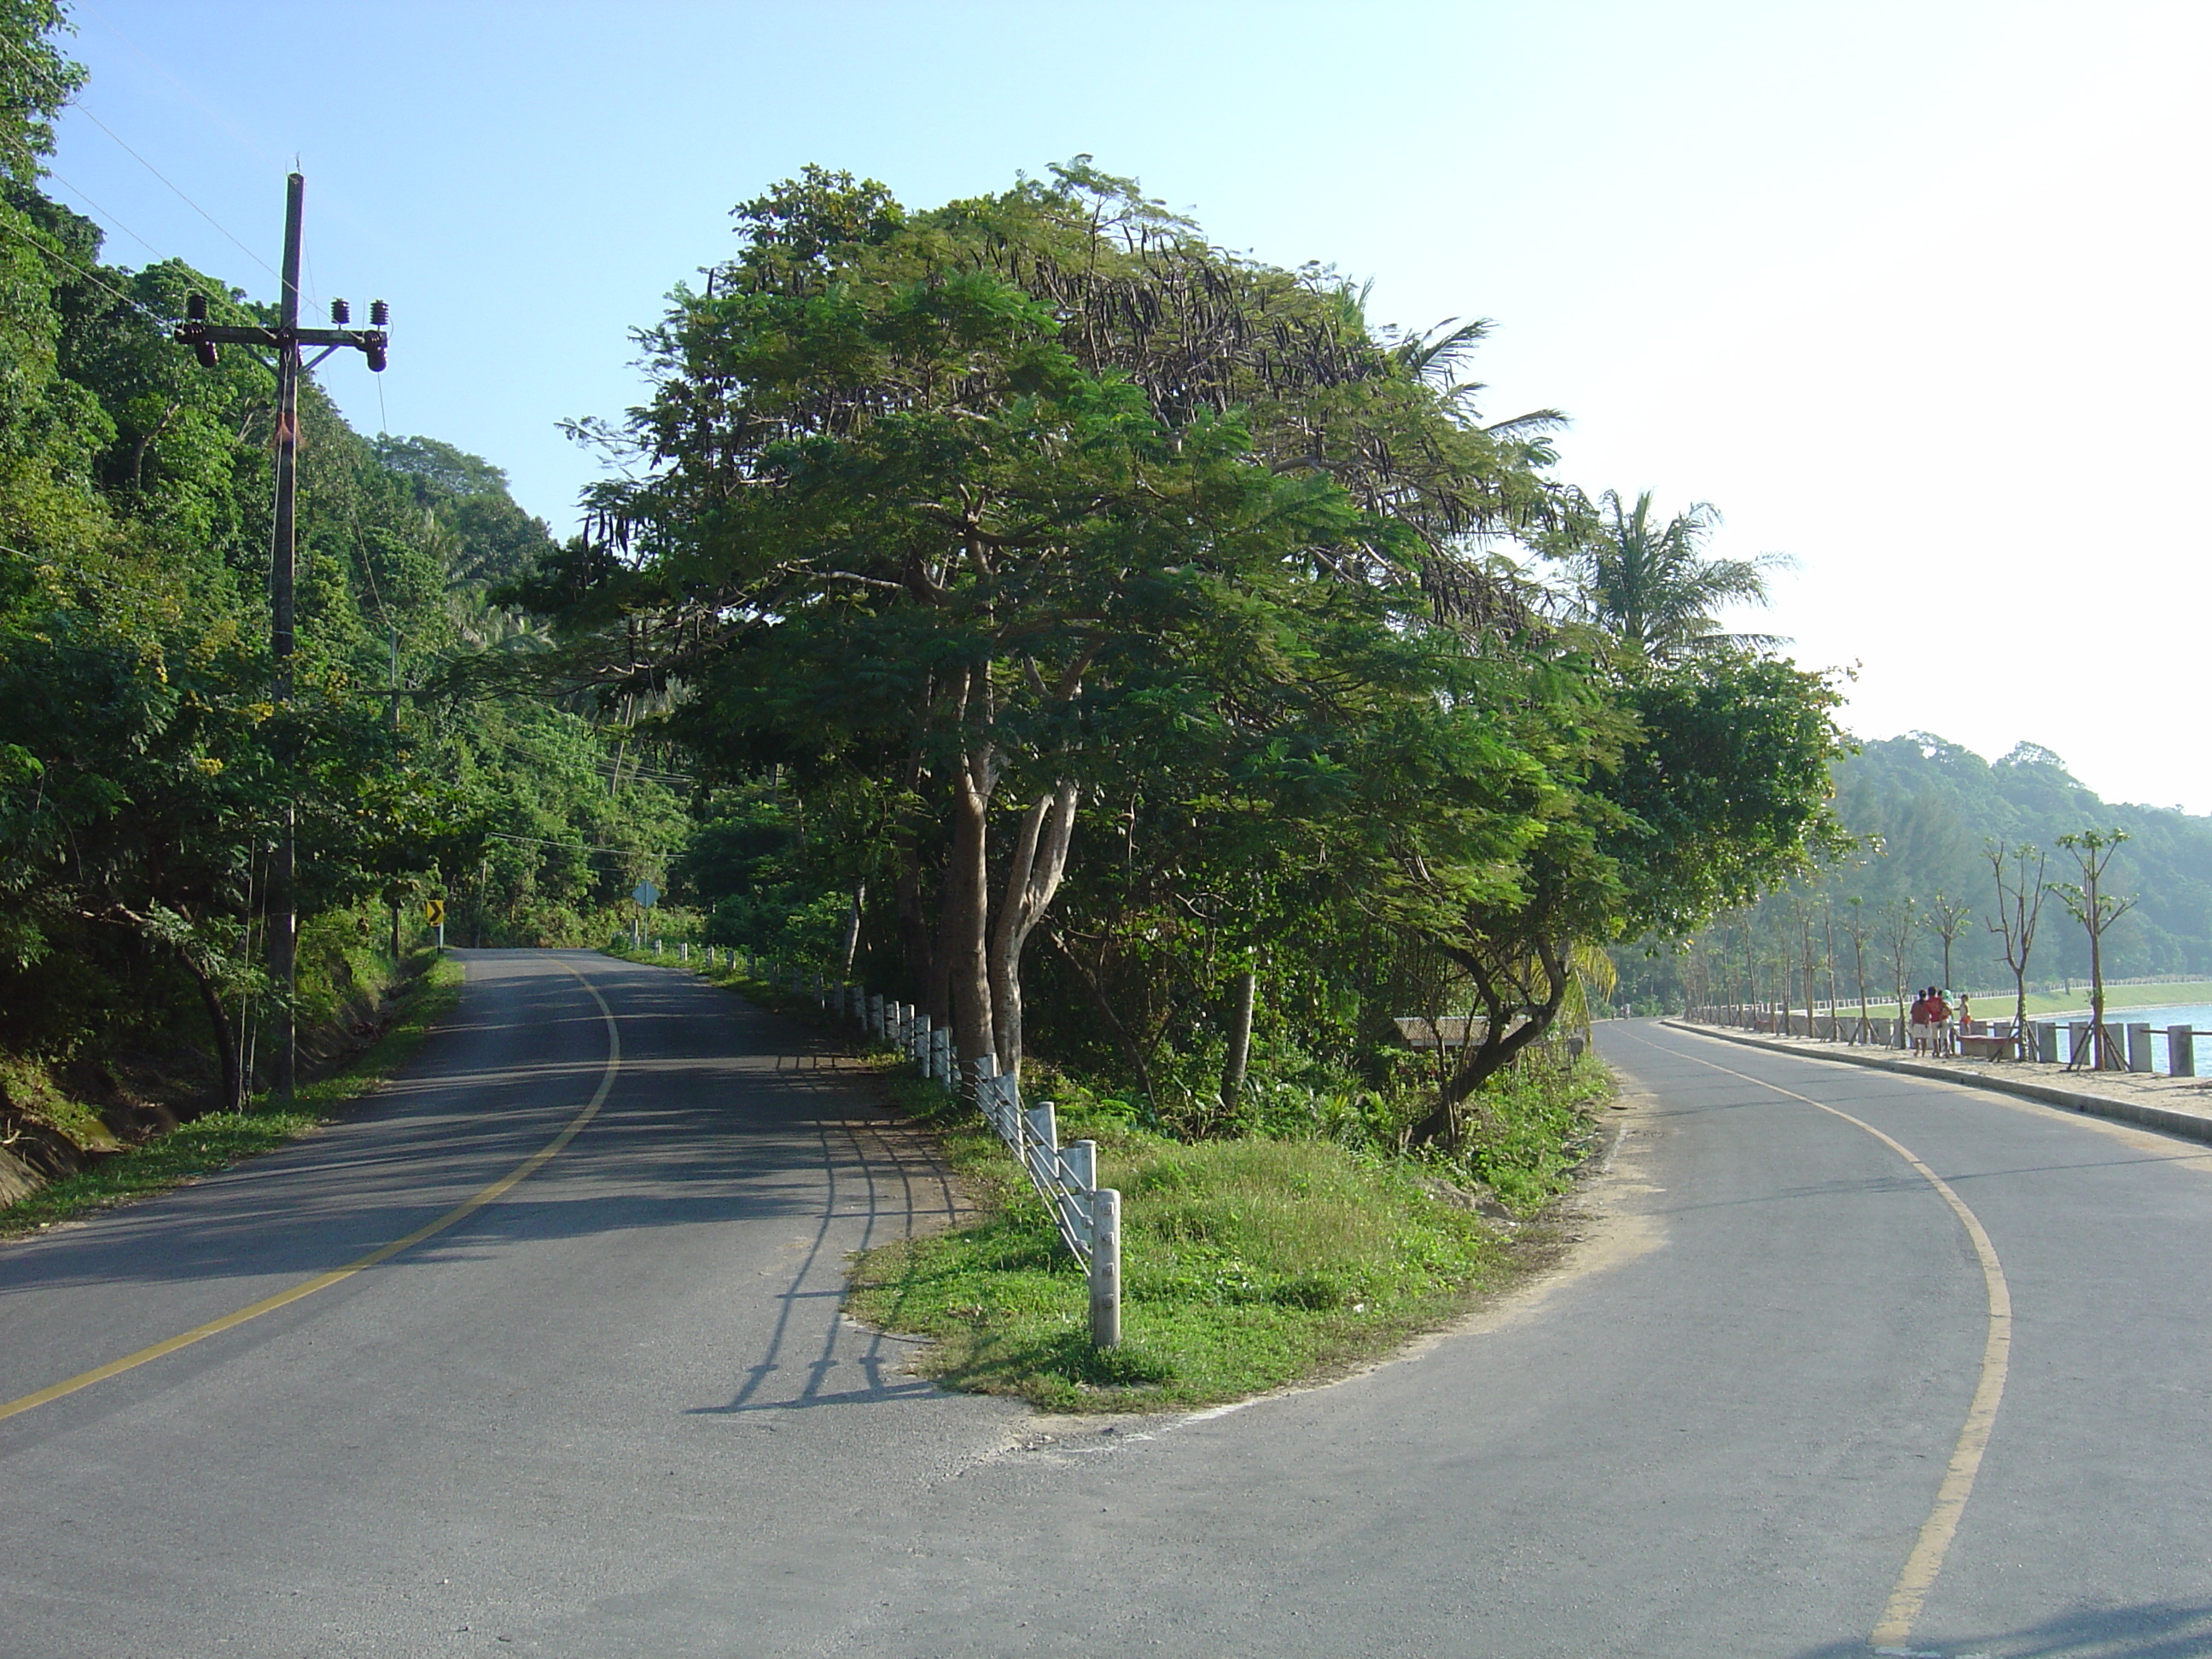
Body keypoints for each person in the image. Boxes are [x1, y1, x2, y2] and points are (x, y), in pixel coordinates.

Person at [1930, 987, 1954, 1057]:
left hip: (1935, 1019)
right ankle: (1947, 1051)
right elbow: (1949, 1009)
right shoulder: (1941, 1001)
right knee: (1946, 1036)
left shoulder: (1929, 1002)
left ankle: (1937, 1051)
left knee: (1935, 1037)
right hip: (1945, 1019)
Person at [1909, 987, 1931, 1055]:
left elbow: (1912, 1014)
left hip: (1917, 1023)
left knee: (1917, 1038)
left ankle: (1917, 1050)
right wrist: (1927, 1021)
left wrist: (1913, 1022)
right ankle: (1923, 1053)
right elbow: (1928, 1014)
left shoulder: (1915, 1004)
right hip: (1925, 1024)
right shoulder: (1927, 1004)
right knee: (1924, 1039)